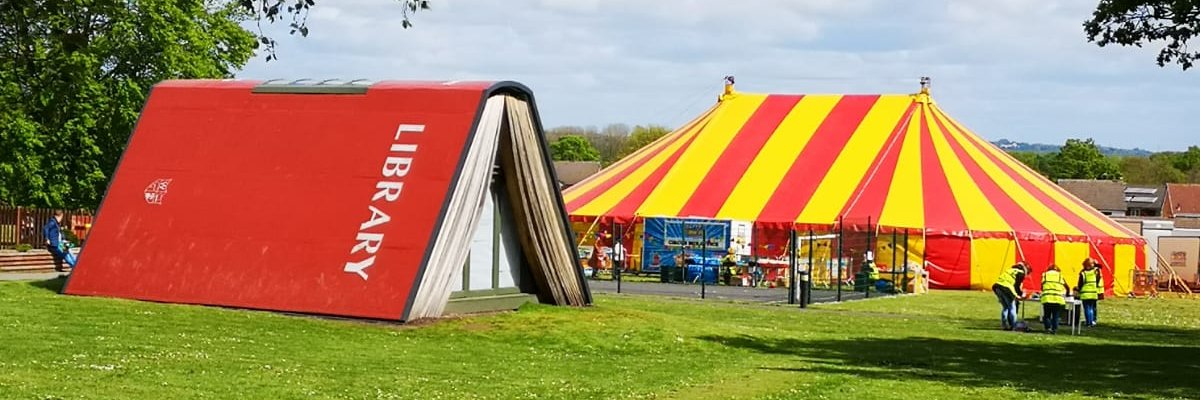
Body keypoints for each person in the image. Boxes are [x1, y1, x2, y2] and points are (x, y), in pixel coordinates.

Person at [992, 262, 1027, 330]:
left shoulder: (1009, 270)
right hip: (1006, 288)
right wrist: (1020, 295)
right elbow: (1016, 286)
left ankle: (1004, 325)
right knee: (1012, 307)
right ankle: (1014, 325)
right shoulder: (1020, 273)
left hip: (997, 287)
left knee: (1005, 307)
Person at [1040, 264, 1070, 334]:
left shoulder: (1045, 275)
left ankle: (1047, 329)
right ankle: (1054, 330)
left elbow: (1042, 286)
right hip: (1057, 298)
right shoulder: (1060, 275)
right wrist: (1067, 294)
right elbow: (1067, 287)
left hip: (1047, 297)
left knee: (1047, 314)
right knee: (1055, 315)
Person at [1077, 258, 1104, 327]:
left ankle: (1088, 322)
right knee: (1091, 308)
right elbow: (1098, 279)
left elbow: (1080, 284)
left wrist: (1078, 289)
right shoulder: (1095, 272)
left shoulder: (1083, 273)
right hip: (1094, 292)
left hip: (1086, 293)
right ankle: (1092, 321)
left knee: (1087, 308)